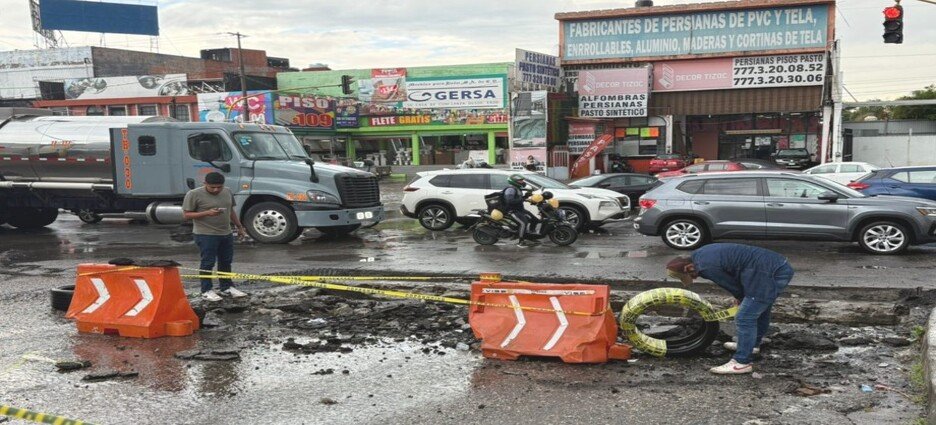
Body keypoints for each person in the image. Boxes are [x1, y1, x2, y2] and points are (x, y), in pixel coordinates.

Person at [665, 243, 794, 375]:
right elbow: (735, 270)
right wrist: (740, 297)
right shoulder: (700, 254)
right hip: (774, 266)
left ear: (689, 267)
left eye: (690, 275)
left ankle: (741, 363)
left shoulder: (706, 267)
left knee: (744, 317)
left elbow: (730, 284)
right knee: (759, 309)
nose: (694, 277)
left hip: (769, 273)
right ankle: (753, 345)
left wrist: (740, 297)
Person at [182, 172, 250, 302]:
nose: (216, 190)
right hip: (205, 234)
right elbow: (186, 215)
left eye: (219, 187)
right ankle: (206, 290)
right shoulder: (194, 194)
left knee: (226, 261)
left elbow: (231, 211)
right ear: (205, 184)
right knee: (208, 262)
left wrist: (239, 227)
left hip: (225, 233)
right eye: (212, 187)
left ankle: (227, 287)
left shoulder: (227, 191)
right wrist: (207, 213)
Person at [502, 174, 535, 247]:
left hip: (520, 210)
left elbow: (518, 199)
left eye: (522, 180)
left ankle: (530, 237)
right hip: (512, 211)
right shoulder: (510, 189)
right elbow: (510, 200)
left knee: (534, 219)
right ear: (514, 181)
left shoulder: (517, 188)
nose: (522, 182)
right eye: (520, 180)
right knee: (523, 223)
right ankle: (521, 242)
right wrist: (522, 199)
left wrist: (526, 196)